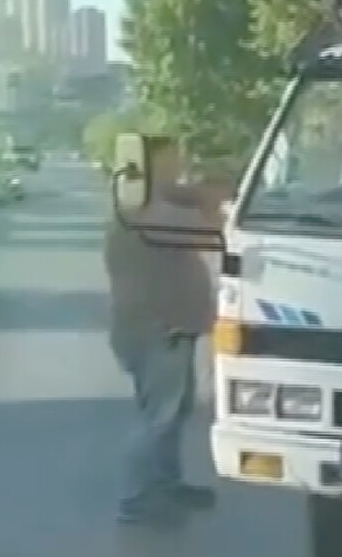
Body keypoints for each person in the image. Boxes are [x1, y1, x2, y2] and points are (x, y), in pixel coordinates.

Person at [103, 136, 231, 527]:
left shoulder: (137, 208)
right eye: (171, 162)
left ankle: (166, 483)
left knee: (172, 413)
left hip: (163, 328)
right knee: (159, 417)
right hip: (159, 330)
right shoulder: (152, 213)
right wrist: (204, 195)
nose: (180, 167)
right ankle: (135, 497)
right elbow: (218, 230)